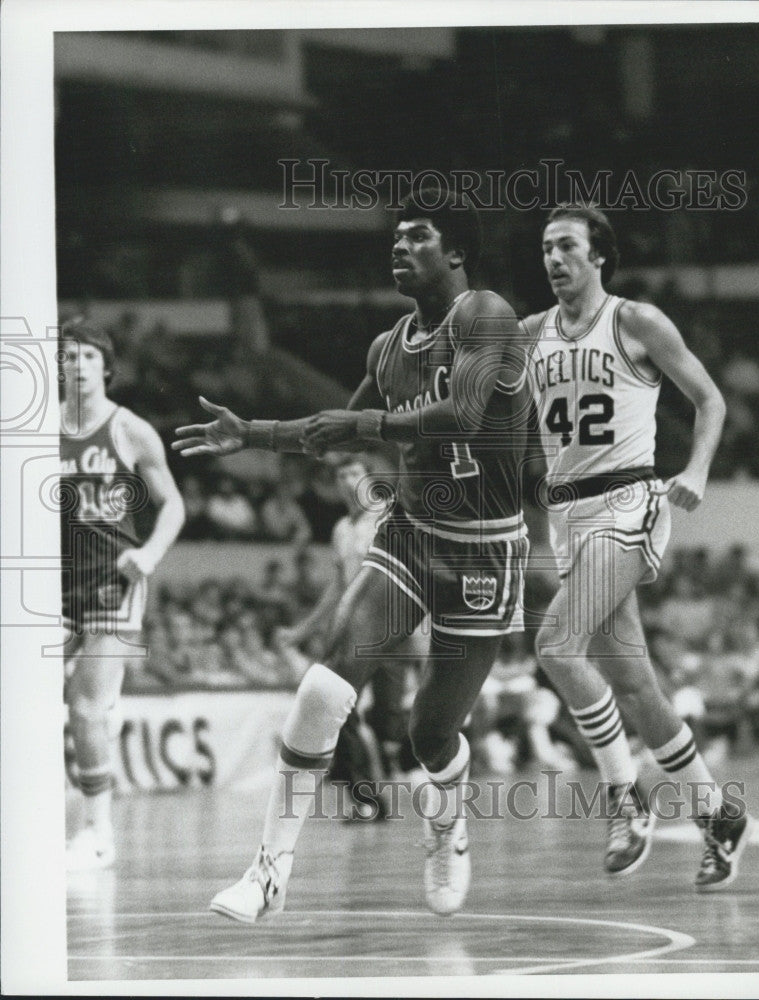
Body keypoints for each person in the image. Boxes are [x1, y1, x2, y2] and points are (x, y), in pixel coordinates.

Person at [174, 189, 530, 920]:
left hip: (485, 553)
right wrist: (255, 433)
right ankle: (268, 871)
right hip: (409, 532)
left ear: (455, 251)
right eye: (395, 237)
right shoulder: (387, 346)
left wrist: (364, 418)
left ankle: (447, 823)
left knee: (430, 736)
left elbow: (460, 412)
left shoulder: (487, 315)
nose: (399, 247)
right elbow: (336, 430)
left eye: (418, 236)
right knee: (321, 688)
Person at [521, 204, 751, 891]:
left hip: (629, 502)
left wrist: (697, 470)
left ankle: (624, 795)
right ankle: (716, 811)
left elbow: (709, 400)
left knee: (555, 646)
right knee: (634, 686)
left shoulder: (635, 321)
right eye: (544, 248)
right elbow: (530, 447)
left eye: (565, 246)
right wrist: (535, 537)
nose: (553, 258)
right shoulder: (531, 334)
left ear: (598, 256)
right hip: (570, 516)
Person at [60, 318, 185, 869]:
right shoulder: (39, 431)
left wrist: (151, 554)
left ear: (105, 368)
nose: (79, 364)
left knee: (85, 707)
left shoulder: (130, 429)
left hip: (114, 583)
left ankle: (97, 832)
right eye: (69, 355)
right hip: (51, 587)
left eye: (89, 356)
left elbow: (173, 504)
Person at [275, 452, 409, 819]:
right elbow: (337, 588)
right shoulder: (341, 530)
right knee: (335, 707)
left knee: (389, 722)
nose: (347, 482)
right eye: (340, 476)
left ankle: (408, 769)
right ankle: (366, 799)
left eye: (354, 473)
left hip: (395, 628)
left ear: (370, 478)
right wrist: (304, 630)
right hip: (355, 633)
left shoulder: (390, 516)